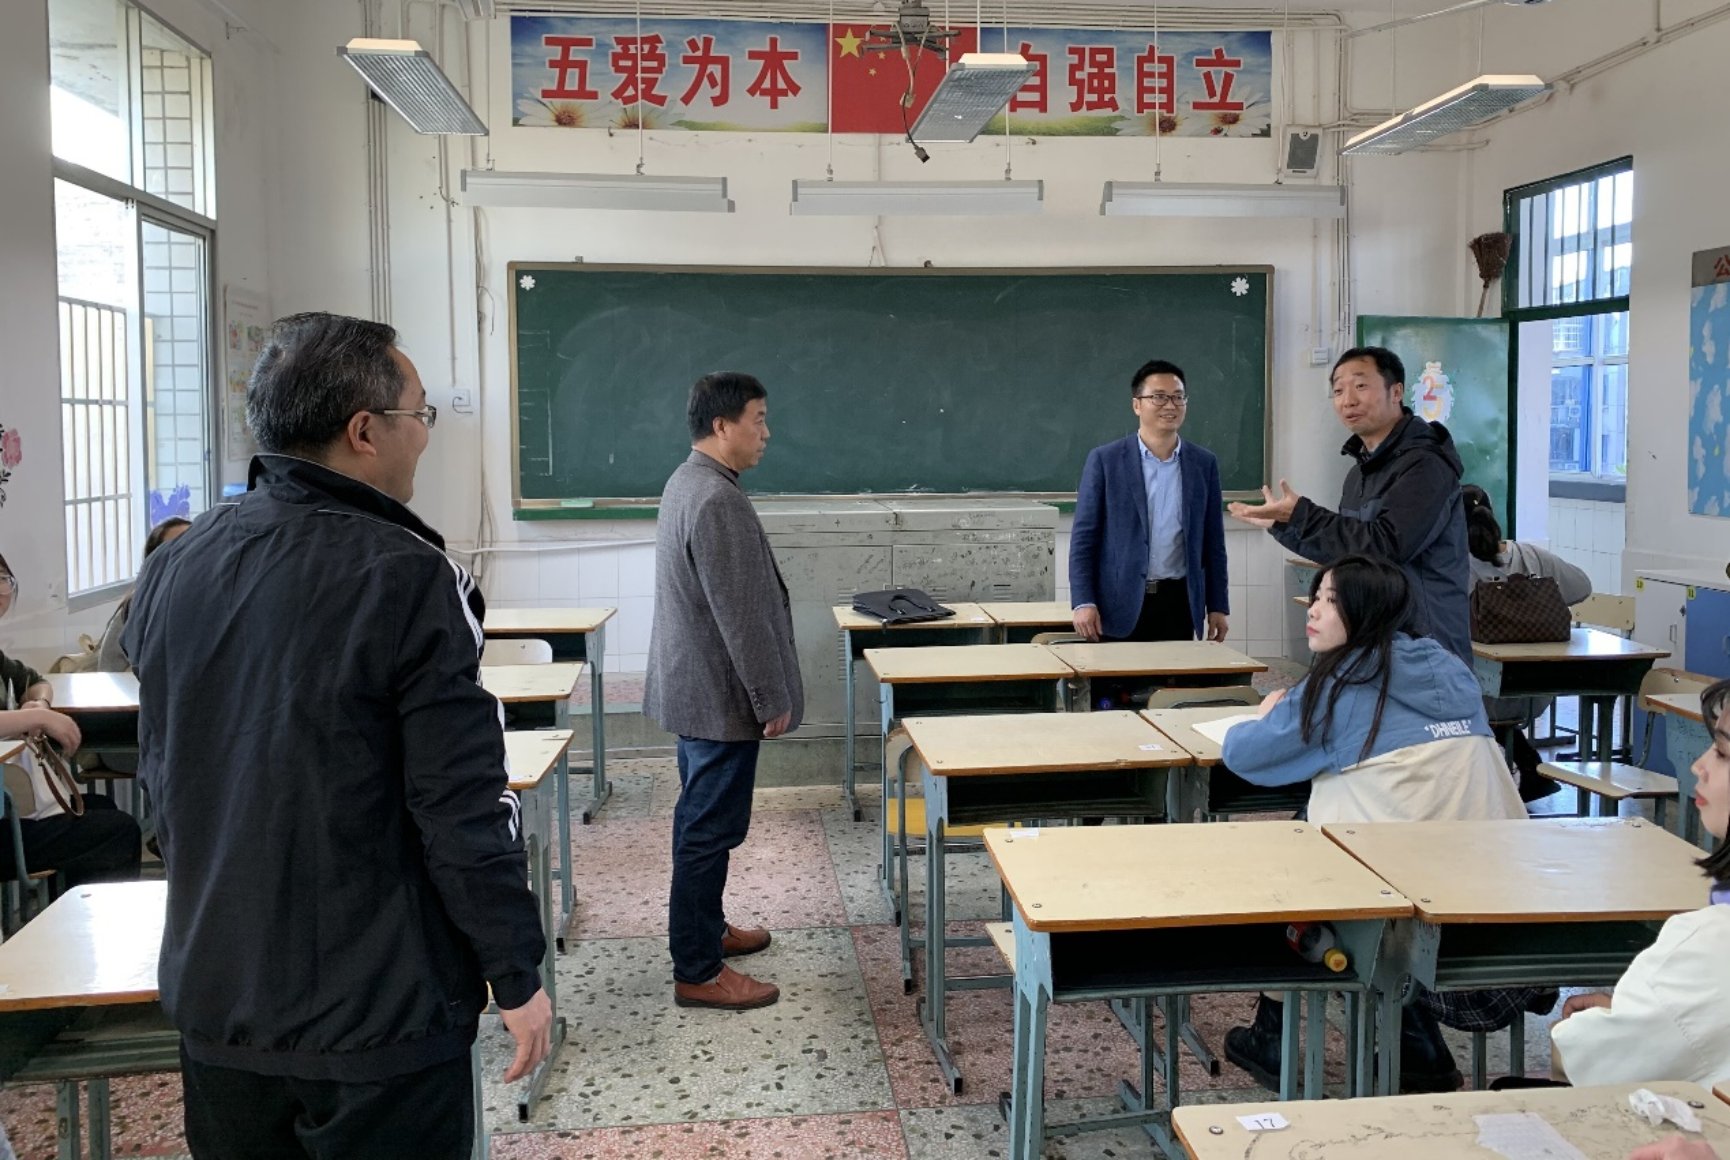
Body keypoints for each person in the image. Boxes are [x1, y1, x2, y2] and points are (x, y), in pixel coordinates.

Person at [122, 313, 551, 1160]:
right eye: (419, 415)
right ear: (364, 431)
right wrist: (515, 970)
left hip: (219, 994)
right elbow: (458, 805)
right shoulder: (411, 575)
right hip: (379, 1011)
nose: (424, 436)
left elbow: (164, 780)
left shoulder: (174, 563)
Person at [1217, 555, 1539, 1093]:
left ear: (1367, 612)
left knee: (1290, 854)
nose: (1313, 611)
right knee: (1359, 817)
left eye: (1331, 601)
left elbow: (1245, 755)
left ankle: (1274, 1036)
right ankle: (1415, 1042)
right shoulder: (1451, 670)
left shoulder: (1342, 686)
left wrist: (1268, 714)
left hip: (1416, 929)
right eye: (1315, 598)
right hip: (1510, 915)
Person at [644, 371, 803, 1012]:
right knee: (707, 831)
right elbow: (741, 617)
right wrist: (770, 697)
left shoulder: (688, 481)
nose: (766, 432)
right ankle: (698, 970)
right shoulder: (717, 499)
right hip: (719, 698)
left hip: (697, 691)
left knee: (701, 822)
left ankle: (707, 931)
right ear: (722, 425)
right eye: (758, 419)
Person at [1229, 346, 1473, 665]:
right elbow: (1350, 553)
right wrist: (1285, 525)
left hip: (1425, 647)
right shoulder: (1359, 473)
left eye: (1360, 386)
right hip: (1375, 639)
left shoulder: (1425, 465)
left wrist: (1303, 515)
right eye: (1338, 391)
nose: (1348, 400)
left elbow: (1386, 547)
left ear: (1396, 391)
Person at [1547, 676, 1730, 1089]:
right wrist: (1645, 1015)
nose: (1698, 765)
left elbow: (1580, 1058)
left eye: (1721, 752)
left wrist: (1613, 1025)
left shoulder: (1705, 944)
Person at [0, 551, 141, 888]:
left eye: (3, 580)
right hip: (6, 818)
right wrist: (36, 717)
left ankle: (64, 910)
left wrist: (39, 704)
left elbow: (35, 681)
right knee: (118, 832)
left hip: (13, 804)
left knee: (101, 809)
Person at [1069, 359, 1229, 643]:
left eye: (1178, 397)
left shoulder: (1203, 464)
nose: (1170, 405)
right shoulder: (1105, 460)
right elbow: (1084, 539)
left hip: (1178, 603)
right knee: (1116, 673)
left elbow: (1213, 542)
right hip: (1117, 605)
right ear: (1137, 405)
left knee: (1174, 673)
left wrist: (1217, 606)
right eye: (1159, 397)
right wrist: (1083, 601)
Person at [1462, 483, 1593, 796]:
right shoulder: (1531, 555)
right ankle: (1529, 770)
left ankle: (1511, 777)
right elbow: (1582, 587)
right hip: (1538, 688)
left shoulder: (1454, 564)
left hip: (1483, 693)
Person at [94, 517, 191, 673]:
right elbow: (109, 671)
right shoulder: (134, 611)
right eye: (178, 550)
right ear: (154, 563)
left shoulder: (218, 603)